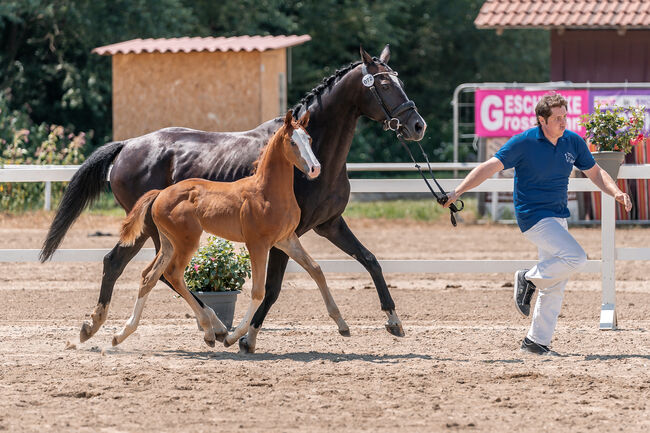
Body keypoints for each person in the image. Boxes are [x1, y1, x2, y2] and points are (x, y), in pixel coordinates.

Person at [443, 93, 632, 356]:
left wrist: (615, 192)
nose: (563, 122)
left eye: (565, 116)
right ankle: (528, 278)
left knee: (555, 281)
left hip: (558, 216)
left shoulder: (572, 141)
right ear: (542, 120)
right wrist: (458, 191)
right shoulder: (524, 142)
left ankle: (536, 342)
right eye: (557, 118)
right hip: (533, 216)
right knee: (575, 257)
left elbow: (596, 172)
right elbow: (488, 167)